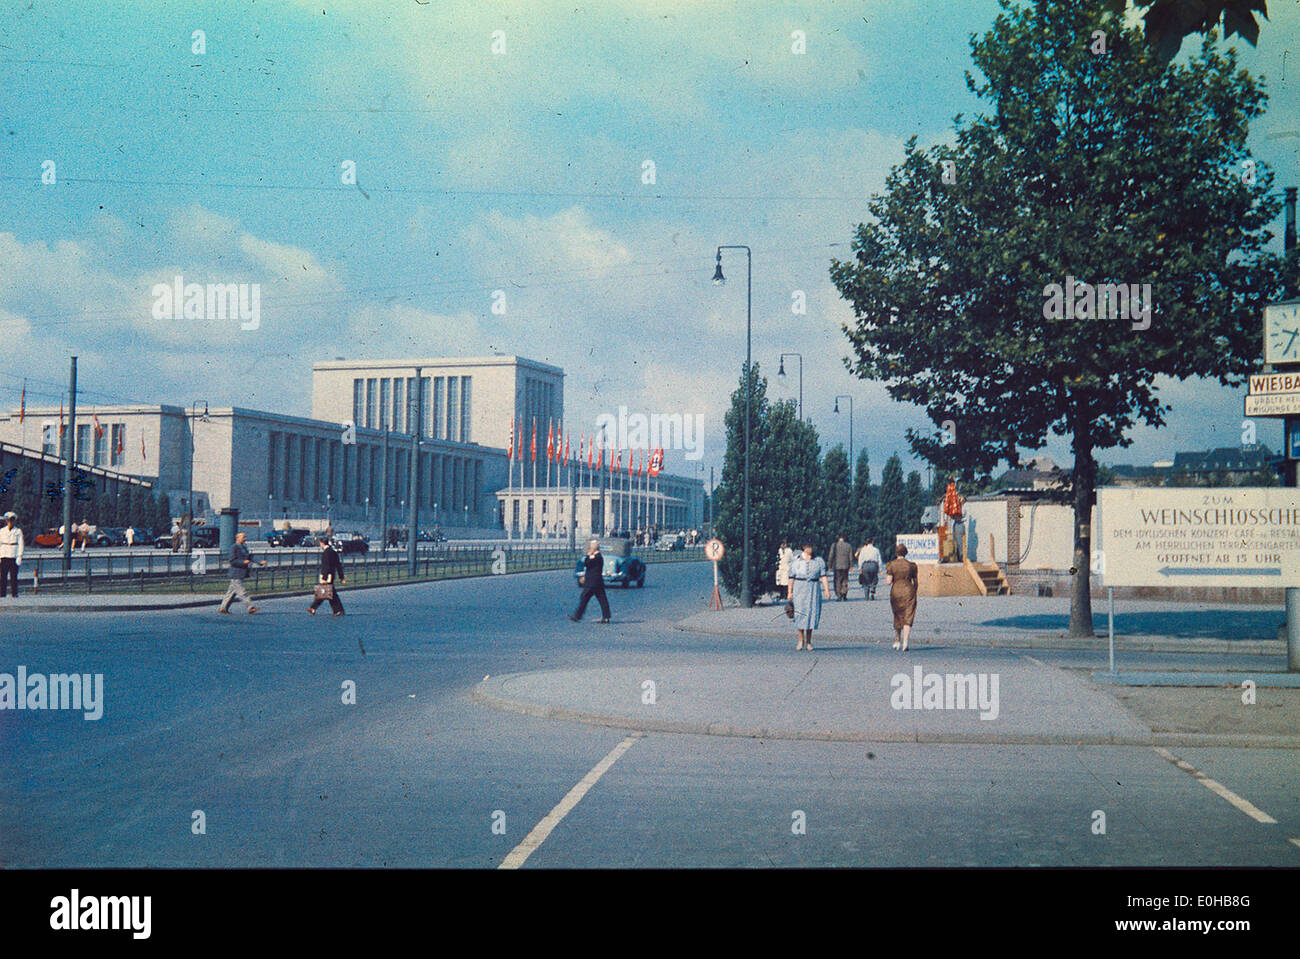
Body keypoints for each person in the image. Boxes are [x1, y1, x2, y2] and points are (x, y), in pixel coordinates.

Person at [787, 542, 831, 651]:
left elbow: (823, 576)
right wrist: (790, 592)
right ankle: (800, 640)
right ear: (804, 547)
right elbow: (791, 577)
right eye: (808, 547)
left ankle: (809, 641)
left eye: (811, 546)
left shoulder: (818, 561)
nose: (810, 549)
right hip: (799, 588)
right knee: (800, 613)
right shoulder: (796, 561)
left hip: (813, 588)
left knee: (811, 613)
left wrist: (826, 590)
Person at [218, 531, 265, 614]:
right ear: (237, 538)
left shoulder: (244, 547)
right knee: (242, 592)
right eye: (243, 537)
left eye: (245, 537)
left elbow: (250, 557)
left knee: (231, 592)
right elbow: (232, 561)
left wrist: (259, 562)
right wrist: (243, 562)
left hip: (241, 573)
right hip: (235, 572)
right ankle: (250, 607)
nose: (245, 539)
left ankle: (223, 608)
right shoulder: (234, 547)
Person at [885, 543, 919, 651]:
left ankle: (897, 641)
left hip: (896, 591)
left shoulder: (891, 565)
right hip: (909, 590)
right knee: (908, 616)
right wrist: (914, 591)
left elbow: (888, 582)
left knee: (897, 615)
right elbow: (916, 582)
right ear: (906, 553)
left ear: (896, 553)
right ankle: (905, 643)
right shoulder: (911, 565)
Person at [569, 538, 611, 623]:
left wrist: (588, 555)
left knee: (584, 598)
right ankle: (606, 617)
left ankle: (577, 616)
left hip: (592, 583)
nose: (590, 548)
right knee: (602, 600)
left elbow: (587, 563)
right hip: (597, 582)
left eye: (591, 547)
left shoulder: (597, 557)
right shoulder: (598, 557)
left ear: (595, 548)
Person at [308, 530, 346, 616]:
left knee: (325, 592)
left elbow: (326, 566)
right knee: (329, 593)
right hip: (331, 575)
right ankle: (337, 610)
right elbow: (338, 565)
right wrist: (341, 577)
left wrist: (324, 577)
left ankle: (314, 608)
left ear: (322, 543)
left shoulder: (326, 553)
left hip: (327, 575)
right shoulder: (333, 551)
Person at [0, 511, 24, 597]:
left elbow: (21, 544)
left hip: (13, 555)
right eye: (9, 521)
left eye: (12, 520)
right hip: (4, 555)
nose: (10, 522)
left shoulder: (18, 531)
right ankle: (2, 594)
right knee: (3, 576)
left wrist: (19, 556)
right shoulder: (2, 531)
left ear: (14, 521)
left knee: (14, 576)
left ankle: (14, 593)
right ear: (6, 521)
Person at [828, 534, 853, 601]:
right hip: (846, 565)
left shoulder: (834, 545)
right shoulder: (848, 545)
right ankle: (844, 593)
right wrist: (851, 565)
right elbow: (850, 556)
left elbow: (831, 555)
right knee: (845, 580)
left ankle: (839, 595)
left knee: (837, 580)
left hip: (837, 565)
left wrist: (829, 564)